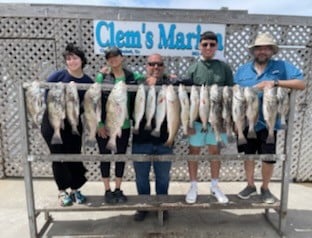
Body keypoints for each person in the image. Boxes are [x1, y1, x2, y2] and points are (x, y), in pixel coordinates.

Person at [234, 32, 305, 204]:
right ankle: (250, 185)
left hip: (269, 122)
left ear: (272, 51)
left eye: (266, 48)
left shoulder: (282, 67)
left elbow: (301, 84)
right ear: (253, 51)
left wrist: (275, 83)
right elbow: (235, 91)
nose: (262, 51)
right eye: (259, 48)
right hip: (246, 121)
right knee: (248, 155)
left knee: (268, 156)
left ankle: (265, 188)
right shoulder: (242, 70)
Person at [41, 43, 93, 206]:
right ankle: (62, 191)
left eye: (75, 58)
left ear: (82, 60)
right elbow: (46, 97)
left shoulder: (87, 81)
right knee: (58, 157)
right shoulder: (56, 76)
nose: (72, 61)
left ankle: (75, 188)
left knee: (74, 155)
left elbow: (89, 106)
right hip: (53, 122)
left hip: (74, 124)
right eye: (68, 58)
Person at [185, 31, 233, 204]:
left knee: (215, 151)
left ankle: (214, 185)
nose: (208, 47)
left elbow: (231, 95)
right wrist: (187, 123)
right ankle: (193, 186)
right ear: (199, 46)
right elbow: (186, 98)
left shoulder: (225, 68)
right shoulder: (193, 68)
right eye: (205, 44)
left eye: (212, 44)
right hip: (197, 120)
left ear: (217, 47)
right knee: (194, 151)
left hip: (218, 120)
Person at [95, 47, 143, 204]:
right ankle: (107, 190)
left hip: (124, 125)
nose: (113, 60)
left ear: (122, 58)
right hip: (105, 125)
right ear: (107, 60)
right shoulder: (102, 77)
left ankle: (118, 188)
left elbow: (146, 79)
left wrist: (166, 76)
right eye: (109, 58)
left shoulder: (132, 76)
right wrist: (99, 123)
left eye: (116, 56)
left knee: (121, 156)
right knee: (105, 157)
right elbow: (95, 102)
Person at [132, 53, 174, 221]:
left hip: (165, 141)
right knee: (141, 177)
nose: (155, 67)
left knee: (163, 177)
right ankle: (144, 205)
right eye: (151, 64)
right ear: (146, 66)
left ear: (163, 66)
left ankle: (161, 206)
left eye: (159, 64)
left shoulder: (170, 84)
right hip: (140, 140)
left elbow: (186, 84)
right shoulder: (137, 83)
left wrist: (161, 82)